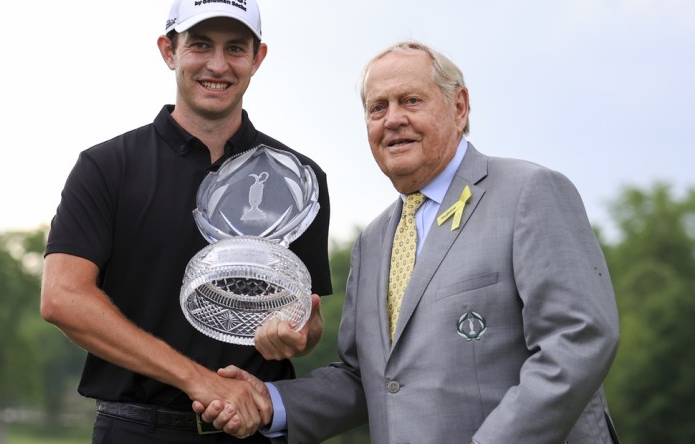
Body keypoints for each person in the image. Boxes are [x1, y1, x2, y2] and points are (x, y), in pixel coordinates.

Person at [197, 40, 621, 443]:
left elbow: (578, 339)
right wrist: (270, 402)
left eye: (411, 101)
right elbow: (368, 378)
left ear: (459, 106)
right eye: (377, 107)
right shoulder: (373, 240)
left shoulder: (529, 191)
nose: (392, 119)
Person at [39, 0, 332, 442]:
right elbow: (62, 297)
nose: (218, 64)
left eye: (235, 48)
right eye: (199, 45)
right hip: (136, 429)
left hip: (254, 428)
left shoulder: (298, 179)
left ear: (258, 57)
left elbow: (309, 320)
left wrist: (298, 334)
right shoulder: (107, 166)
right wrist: (198, 379)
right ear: (168, 51)